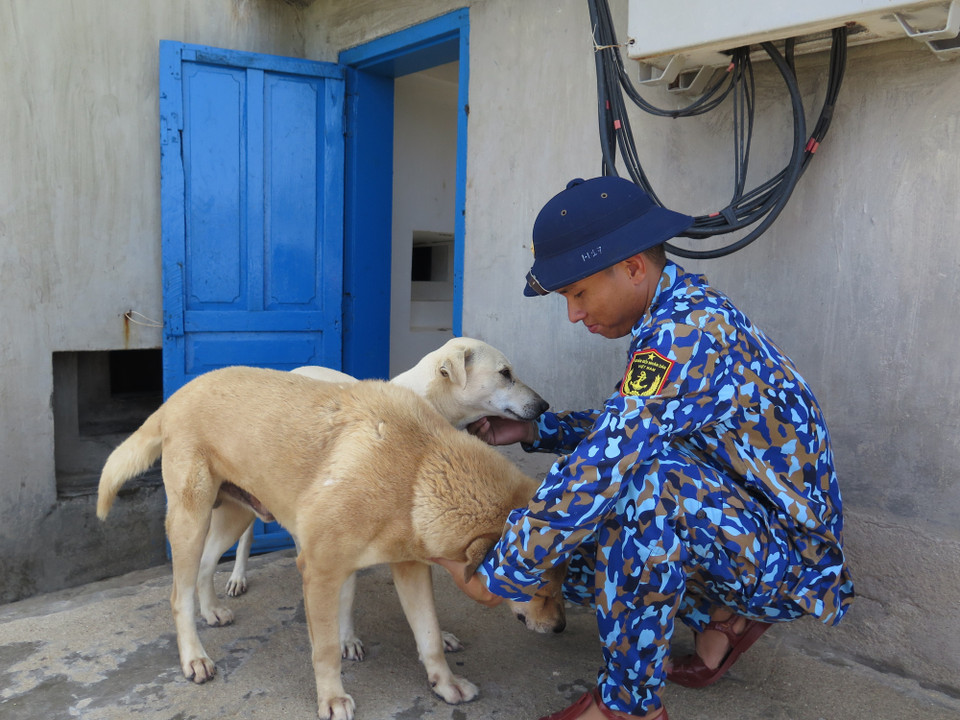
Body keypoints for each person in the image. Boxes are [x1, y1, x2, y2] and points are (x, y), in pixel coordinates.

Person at [433, 176, 854, 720]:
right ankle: (724, 620)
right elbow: (631, 424)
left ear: (632, 267)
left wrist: (504, 576)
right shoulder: (676, 313)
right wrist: (538, 431)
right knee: (581, 559)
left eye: (578, 293)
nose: (574, 314)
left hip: (793, 563)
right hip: (754, 531)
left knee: (636, 492)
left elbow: (612, 459)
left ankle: (627, 708)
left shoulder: (684, 335)